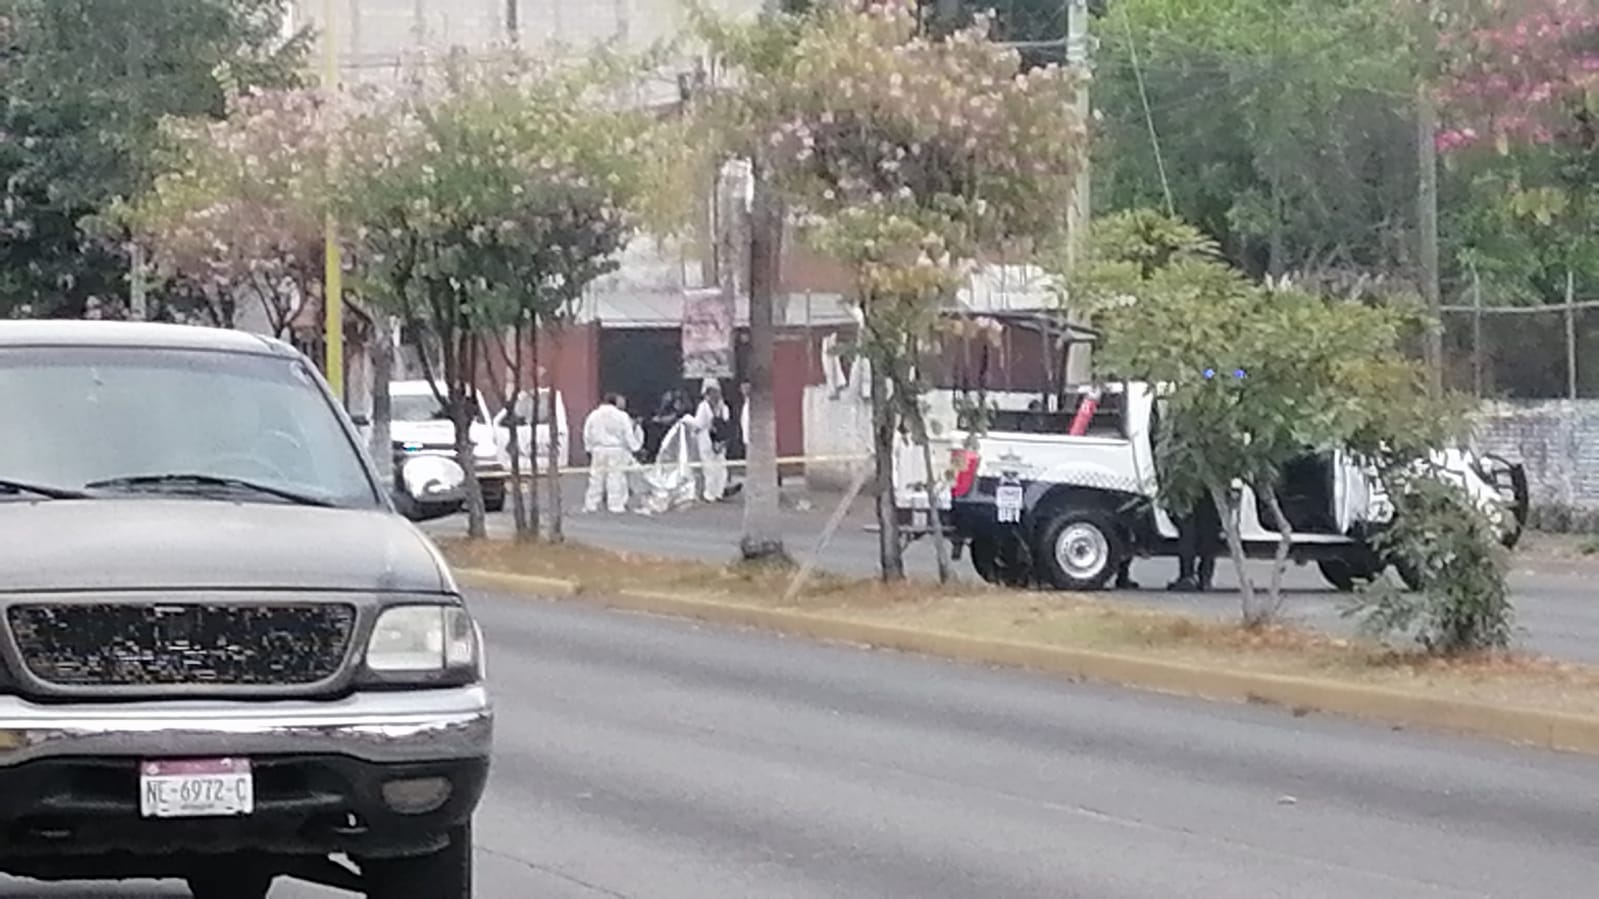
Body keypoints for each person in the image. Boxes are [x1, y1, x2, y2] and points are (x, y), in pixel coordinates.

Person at [582, 393, 642, 514]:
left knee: (596, 477)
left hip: (598, 449)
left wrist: (588, 448)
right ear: (615, 402)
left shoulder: (594, 415)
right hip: (616, 449)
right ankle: (615, 505)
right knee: (616, 476)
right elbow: (628, 434)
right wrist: (635, 447)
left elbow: (587, 432)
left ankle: (592, 504)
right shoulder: (622, 416)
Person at [1168, 490, 1221, 592]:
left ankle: (1187, 576)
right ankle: (1205, 575)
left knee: (1187, 530)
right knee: (1209, 528)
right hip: (1211, 489)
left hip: (1186, 489)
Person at [693, 382, 731, 502]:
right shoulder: (722, 407)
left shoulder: (705, 407)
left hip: (708, 439)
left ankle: (711, 493)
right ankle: (717, 492)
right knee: (718, 466)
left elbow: (699, 424)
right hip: (716, 440)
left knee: (711, 467)